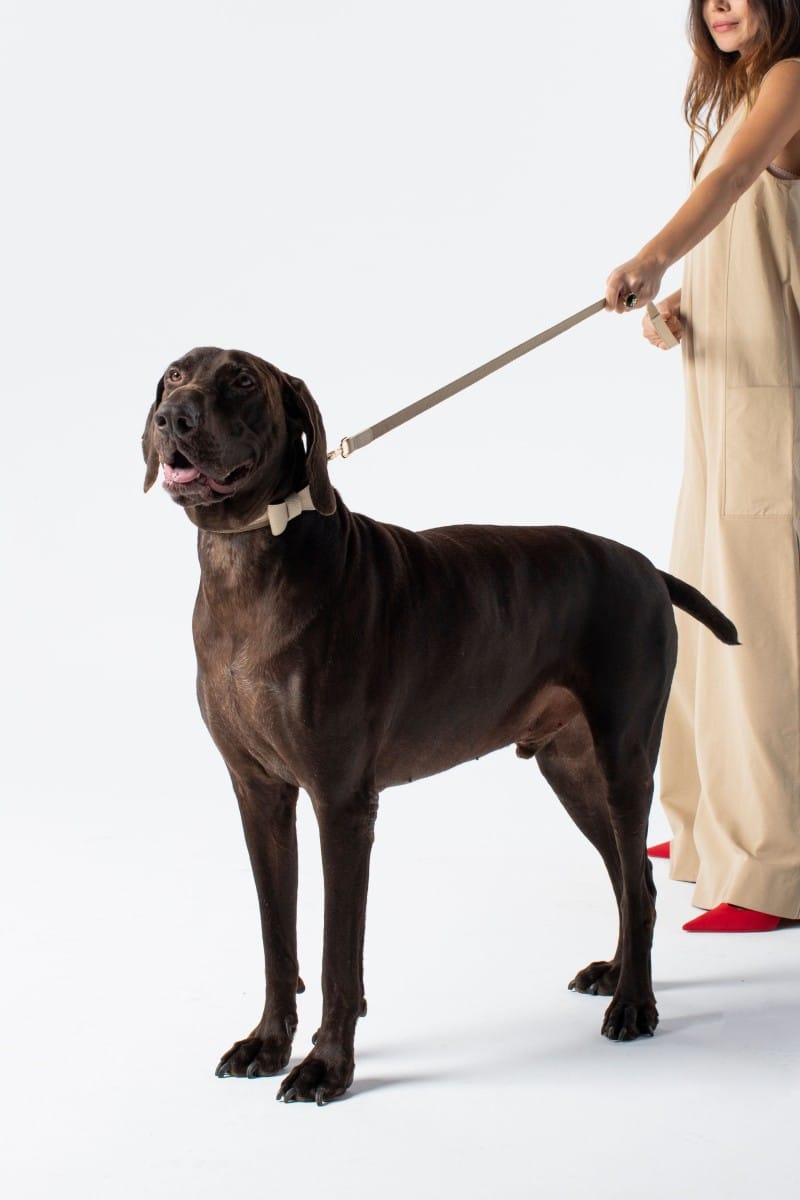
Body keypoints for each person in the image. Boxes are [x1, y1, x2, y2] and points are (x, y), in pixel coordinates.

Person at [605, 0, 800, 932]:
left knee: (763, 626)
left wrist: (650, 253)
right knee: (705, 606)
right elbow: (752, 235)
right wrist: (677, 297)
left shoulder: (795, 80)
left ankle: (776, 868)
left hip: (774, 406)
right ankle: (700, 821)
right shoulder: (745, 94)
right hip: (722, 399)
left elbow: (729, 185)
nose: (720, 3)